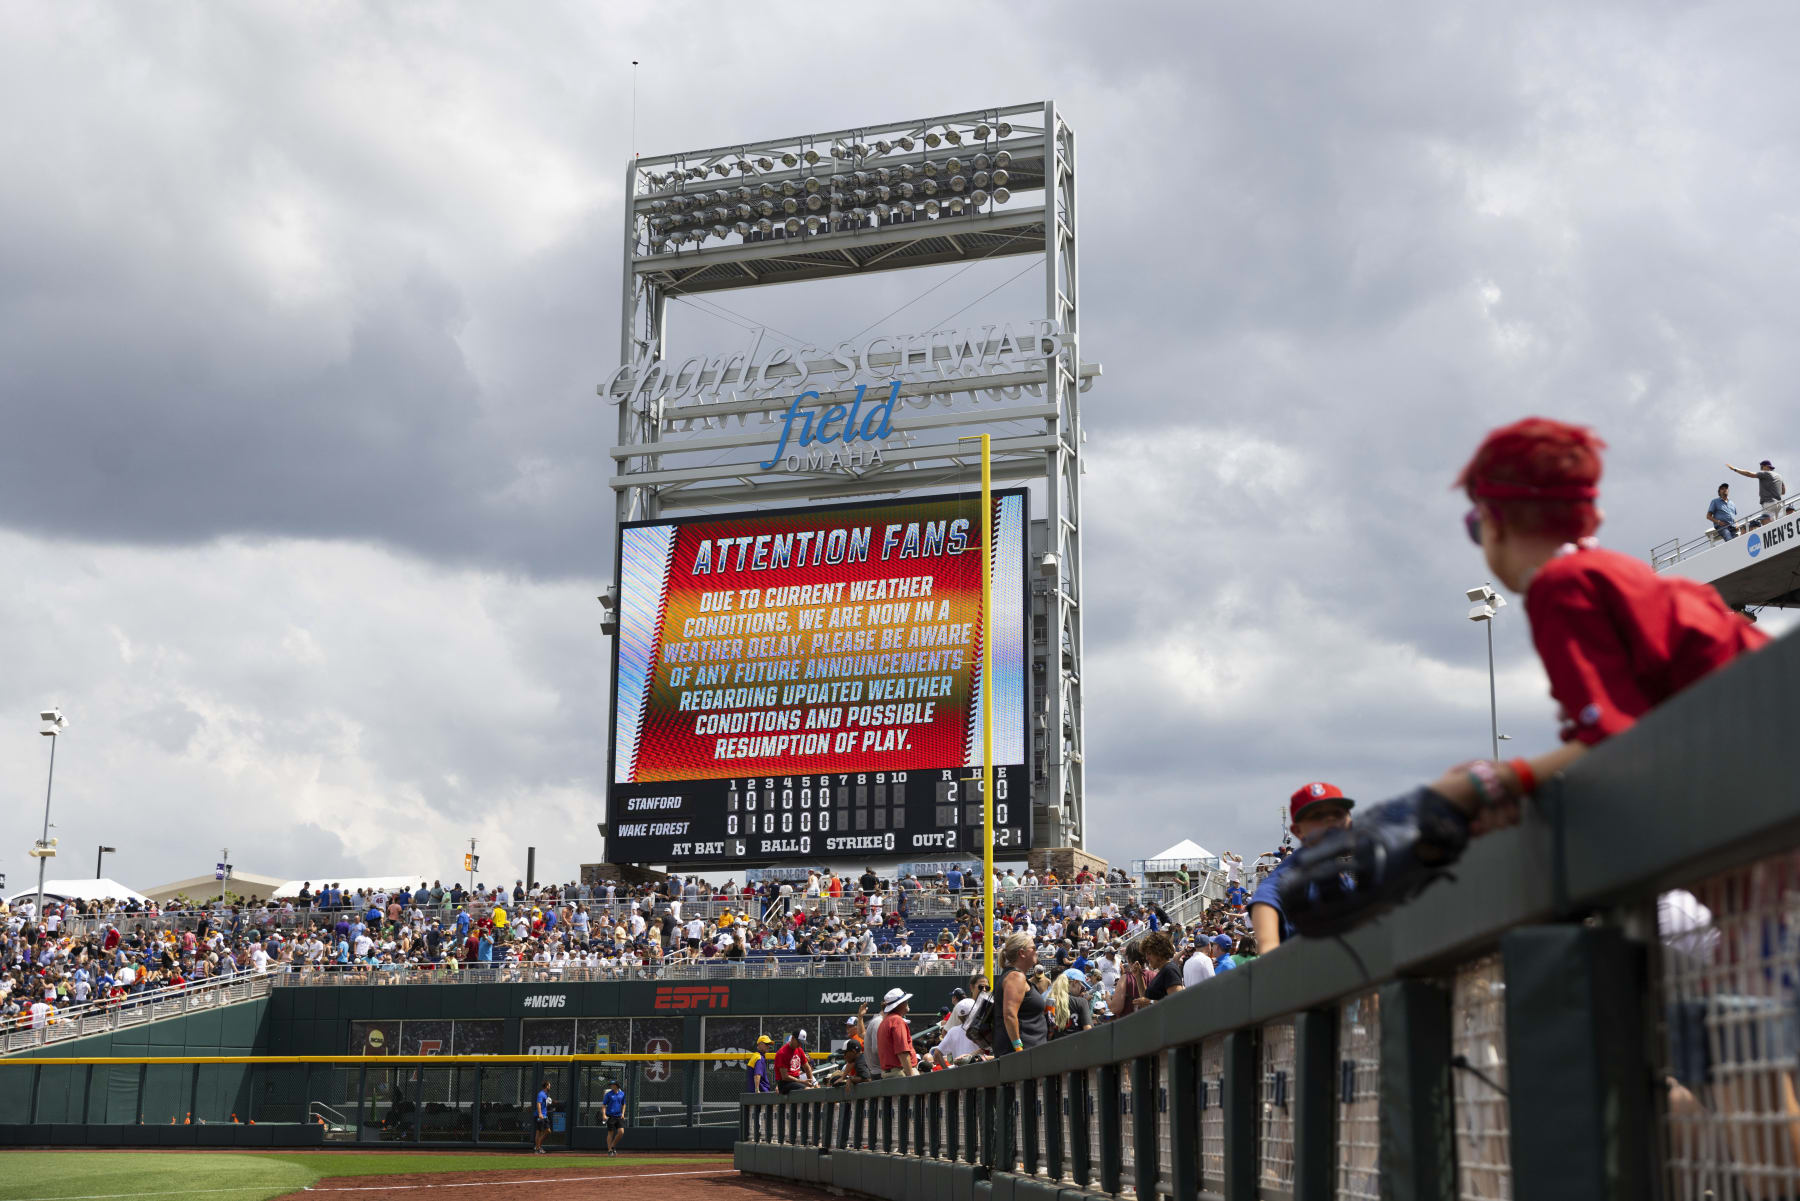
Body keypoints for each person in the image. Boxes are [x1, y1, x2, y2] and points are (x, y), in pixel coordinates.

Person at [1251, 783, 1356, 951]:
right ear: (1298, 830)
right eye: (1317, 816)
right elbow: (1265, 902)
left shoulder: (1344, 876)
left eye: (1337, 813)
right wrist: (1268, 945)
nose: (1330, 821)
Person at [998, 932, 1049, 1053]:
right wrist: (1018, 1048)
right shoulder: (1015, 977)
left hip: (1031, 1052)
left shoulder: (1016, 976)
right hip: (1024, 1056)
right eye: (1034, 948)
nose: (1036, 951)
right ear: (1022, 953)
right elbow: (1009, 1015)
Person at [1727, 458, 1787, 527]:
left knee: (1768, 525)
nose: (1761, 469)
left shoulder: (1765, 473)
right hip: (1779, 504)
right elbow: (1783, 491)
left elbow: (1749, 474)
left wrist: (1735, 469)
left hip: (1769, 504)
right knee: (1778, 524)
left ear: (1766, 467)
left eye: (1761, 467)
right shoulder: (1779, 476)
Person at [877, 987, 919, 1076]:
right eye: (905, 1001)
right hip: (901, 1072)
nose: (907, 1002)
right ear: (899, 1004)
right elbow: (902, 1051)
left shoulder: (885, 1021)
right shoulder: (897, 1020)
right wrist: (910, 1075)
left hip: (891, 1073)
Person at [1140, 931, 1184, 1006]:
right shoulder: (1164, 971)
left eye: (1149, 954)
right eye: (1146, 955)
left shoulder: (1170, 970)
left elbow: (1177, 1002)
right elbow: (1145, 998)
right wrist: (1138, 976)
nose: (1147, 958)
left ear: (1159, 952)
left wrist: (1150, 1002)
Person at [773, 1029, 814, 1093]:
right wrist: (803, 1082)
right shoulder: (782, 1053)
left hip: (796, 1081)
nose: (800, 1045)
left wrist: (811, 1083)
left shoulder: (799, 1050)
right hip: (785, 1084)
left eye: (801, 1043)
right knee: (808, 1091)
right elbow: (785, 1077)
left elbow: (807, 1068)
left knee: (814, 1090)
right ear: (793, 1038)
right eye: (799, 1042)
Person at [601, 1079, 626, 1155]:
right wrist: (604, 1115)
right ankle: (609, 1150)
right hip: (610, 1116)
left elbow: (623, 1104)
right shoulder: (608, 1095)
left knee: (621, 1132)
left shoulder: (622, 1094)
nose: (611, 1086)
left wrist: (623, 1113)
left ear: (617, 1085)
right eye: (611, 1085)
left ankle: (612, 1146)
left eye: (613, 1085)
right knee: (610, 1133)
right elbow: (604, 1105)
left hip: (619, 1116)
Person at [532, 1078, 553, 1155]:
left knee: (544, 1132)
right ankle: (537, 1148)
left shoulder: (545, 1094)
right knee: (542, 1132)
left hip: (544, 1115)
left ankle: (537, 1147)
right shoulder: (541, 1094)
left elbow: (544, 1104)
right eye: (549, 1085)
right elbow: (538, 1103)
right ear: (546, 1086)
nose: (550, 1086)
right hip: (540, 1115)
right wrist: (540, 1114)